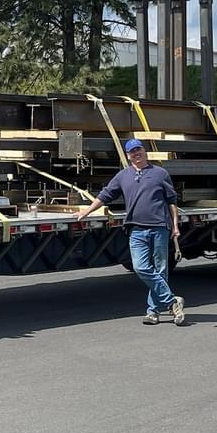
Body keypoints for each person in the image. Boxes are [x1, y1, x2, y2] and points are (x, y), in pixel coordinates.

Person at [75, 138, 185, 326]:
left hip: (160, 227)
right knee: (141, 267)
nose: (137, 154)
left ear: (145, 151)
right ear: (128, 156)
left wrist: (175, 225)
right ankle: (172, 300)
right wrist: (86, 211)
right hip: (136, 229)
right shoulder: (123, 176)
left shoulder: (160, 173)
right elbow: (105, 195)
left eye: (139, 150)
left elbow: (171, 201)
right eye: (132, 152)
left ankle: (153, 312)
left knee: (160, 270)